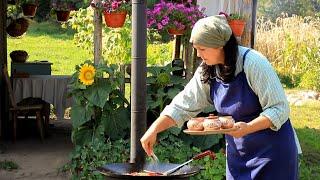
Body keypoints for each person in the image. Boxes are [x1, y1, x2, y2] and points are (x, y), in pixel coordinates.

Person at [140, 15, 301, 179]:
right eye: (196, 48)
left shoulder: (254, 63)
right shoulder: (207, 69)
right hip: (239, 157)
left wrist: (248, 127)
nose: (198, 54)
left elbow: (279, 108)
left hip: (273, 155)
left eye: (202, 49)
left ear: (220, 46)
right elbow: (183, 105)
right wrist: (154, 129)